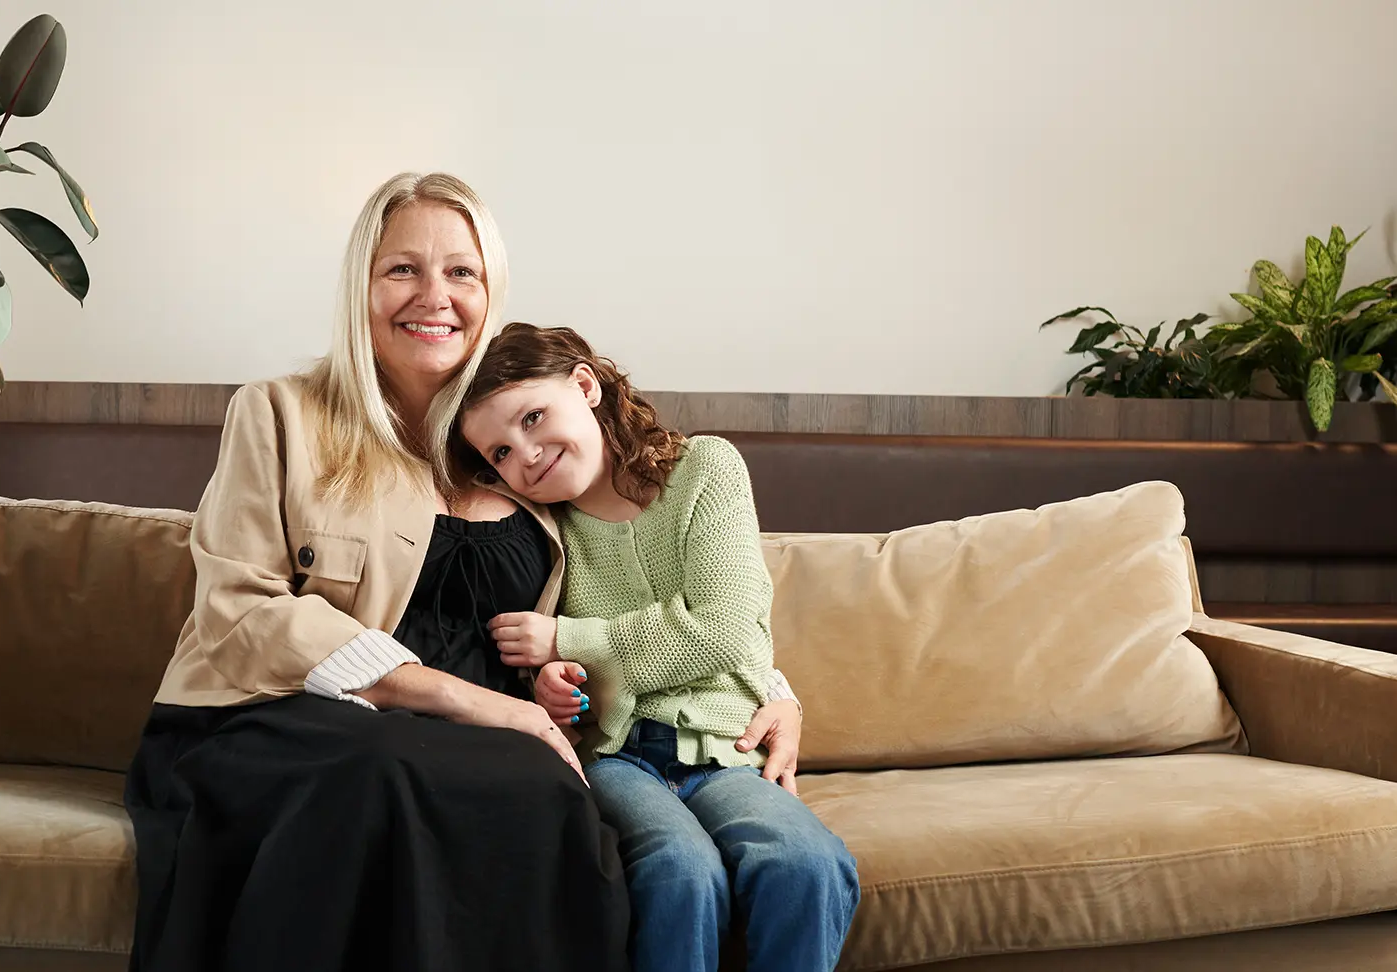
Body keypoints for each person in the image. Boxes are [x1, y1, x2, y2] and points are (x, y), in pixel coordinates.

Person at [123, 173, 806, 972]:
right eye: (402, 269)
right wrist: (473, 703)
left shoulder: (520, 445)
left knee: (546, 789)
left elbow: (645, 590)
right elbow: (239, 608)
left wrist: (772, 690)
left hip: (481, 743)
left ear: (490, 291)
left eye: (461, 272)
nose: (433, 296)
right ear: (362, 289)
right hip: (284, 722)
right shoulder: (278, 413)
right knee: (392, 765)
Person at [457, 322, 859, 972]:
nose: (525, 455)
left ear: (584, 385)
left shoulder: (706, 469)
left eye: (533, 418)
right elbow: (550, 674)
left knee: (805, 862)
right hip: (617, 757)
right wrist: (556, 679)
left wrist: (570, 638)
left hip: (727, 749)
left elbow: (725, 625)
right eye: (500, 452)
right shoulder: (534, 528)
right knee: (678, 870)